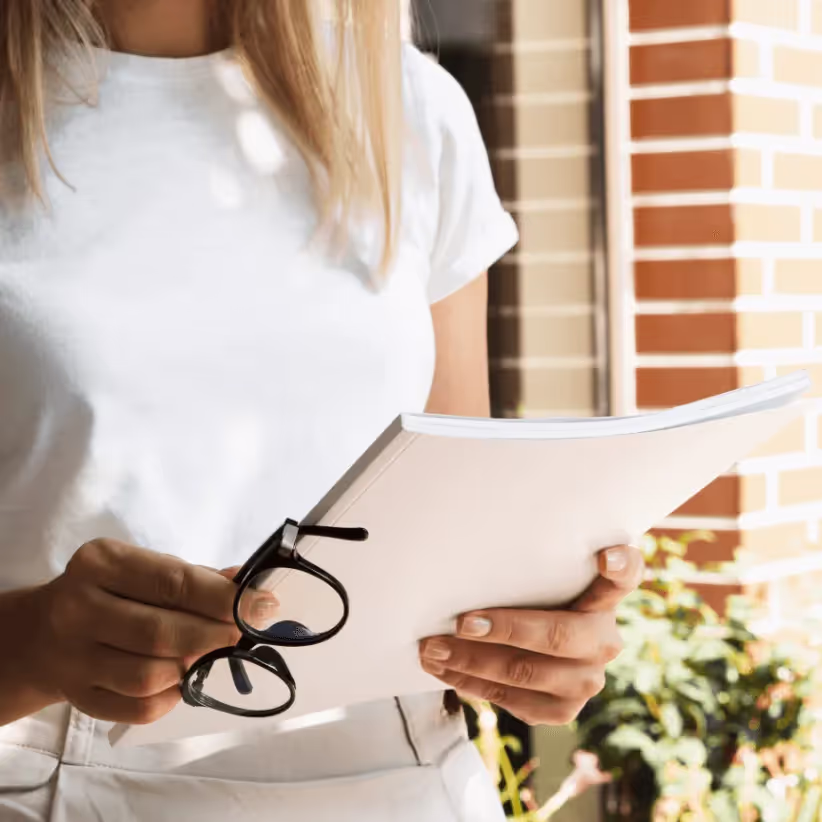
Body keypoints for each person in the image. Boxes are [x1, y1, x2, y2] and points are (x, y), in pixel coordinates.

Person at [0, 1, 645, 820]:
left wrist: (535, 645)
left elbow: (457, 550)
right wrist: (32, 644)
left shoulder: (410, 107)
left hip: (407, 787)